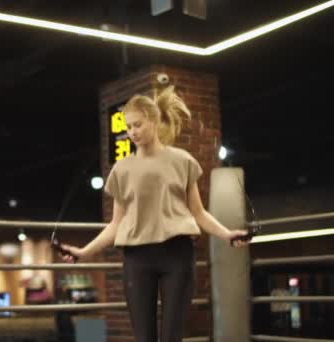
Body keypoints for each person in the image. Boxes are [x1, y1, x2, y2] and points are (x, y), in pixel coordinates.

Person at [60, 86, 249, 342]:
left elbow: (199, 213)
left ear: (154, 120)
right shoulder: (121, 170)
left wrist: (227, 234)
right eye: (128, 127)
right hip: (137, 259)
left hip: (177, 255)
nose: (132, 132)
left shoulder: (182, 161)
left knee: (172, 337)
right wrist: (84, 252)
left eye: (137, 125)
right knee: (144, 337)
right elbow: (116, 224)